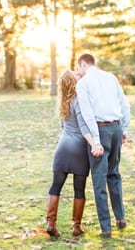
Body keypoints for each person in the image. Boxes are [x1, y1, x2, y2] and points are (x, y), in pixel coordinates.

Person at [75, 53, 131, 238]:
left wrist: (96, 142)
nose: (79, 72)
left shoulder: (83, 84)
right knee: (114, 174)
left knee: (99, 179)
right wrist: (123, 129)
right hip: (115, 128)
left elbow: (87, 114)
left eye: (79, 68)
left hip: (100, 130)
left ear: (83, 64)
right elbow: (125, 105)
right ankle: (120, 218)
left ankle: (106, 228)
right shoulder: (110, 77)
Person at [44, 70, 103, 238]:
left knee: (56, 187)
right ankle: (76, 226)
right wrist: (94, 144)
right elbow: (84, 127)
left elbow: (64, 127)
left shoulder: (62, 101)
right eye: (76, 75)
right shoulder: (79, 100)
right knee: (79, 189)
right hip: (78, 149)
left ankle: (50, 223)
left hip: (62, 148)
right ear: (73, 82)